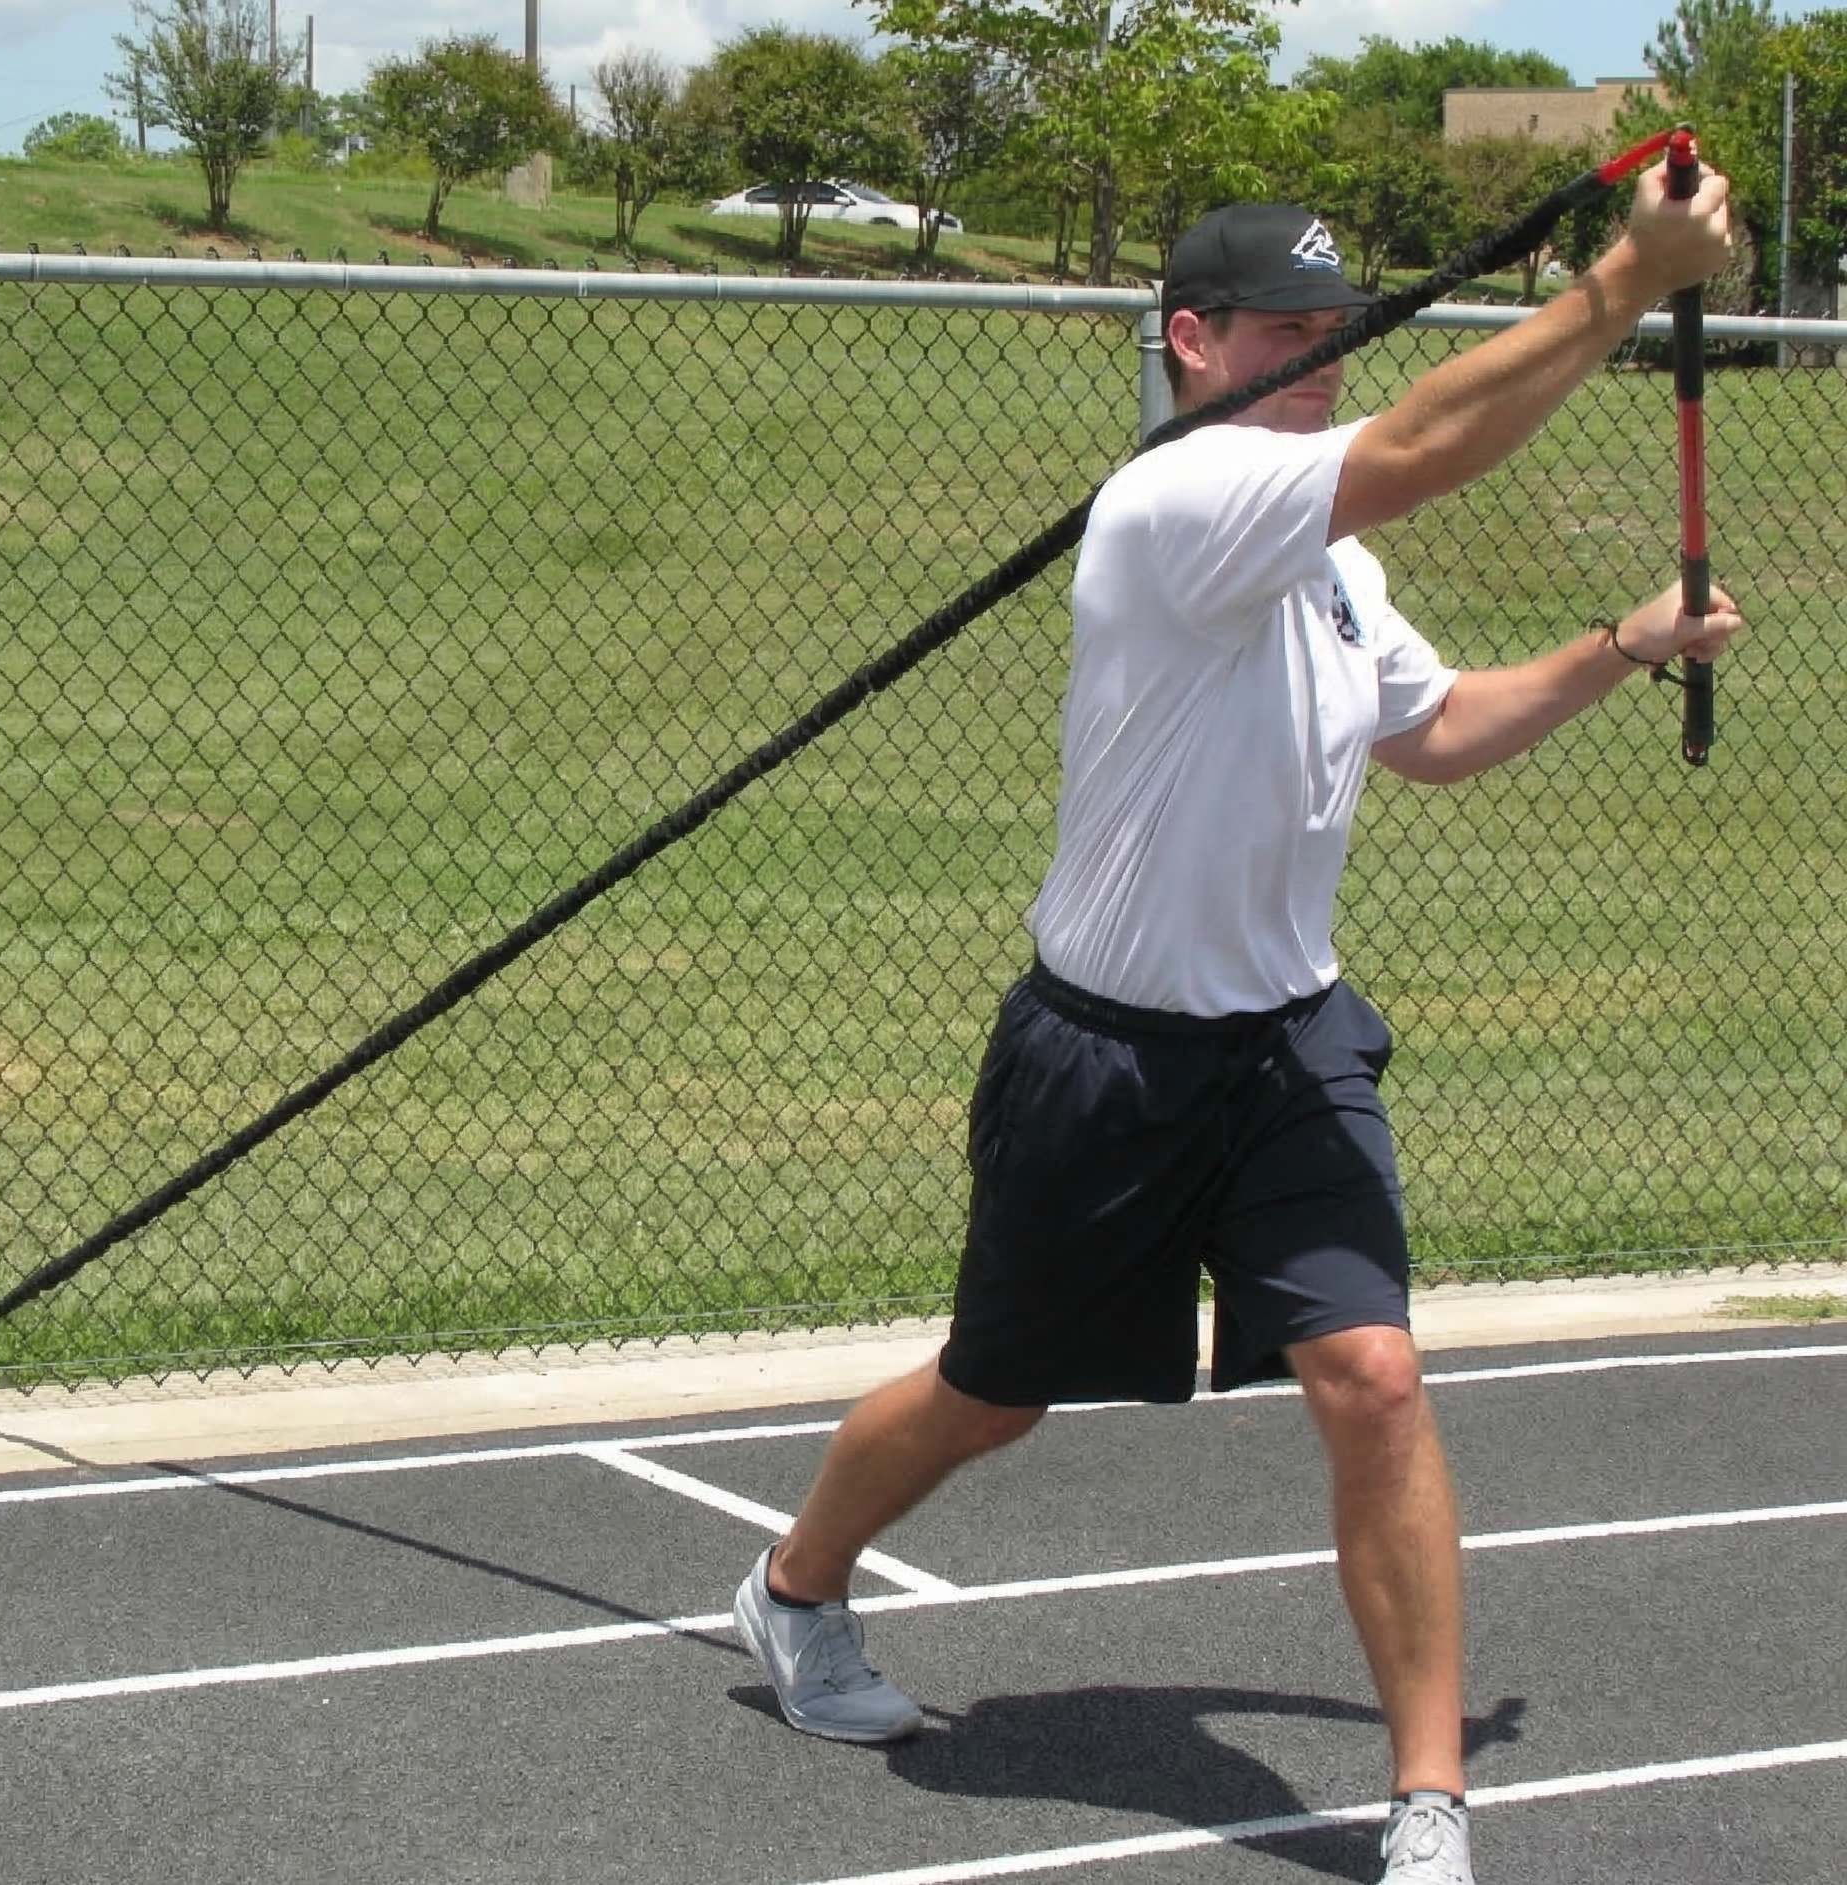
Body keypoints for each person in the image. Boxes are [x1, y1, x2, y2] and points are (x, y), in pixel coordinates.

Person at [732, 164, 1743, 1885]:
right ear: (1195, 343)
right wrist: (1622, 289)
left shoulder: (1329, 563)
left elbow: (1431, 731)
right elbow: (1423, 448)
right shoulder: (1185, 497)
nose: (1323, 357)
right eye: (1288, 330)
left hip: (1290, 1050)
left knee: (1372, 1379)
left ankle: (1429, 1804)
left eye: (1338, 333)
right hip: (1105, 1057)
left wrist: (1617, 646)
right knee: (992, 1398)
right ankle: (794, 1590)